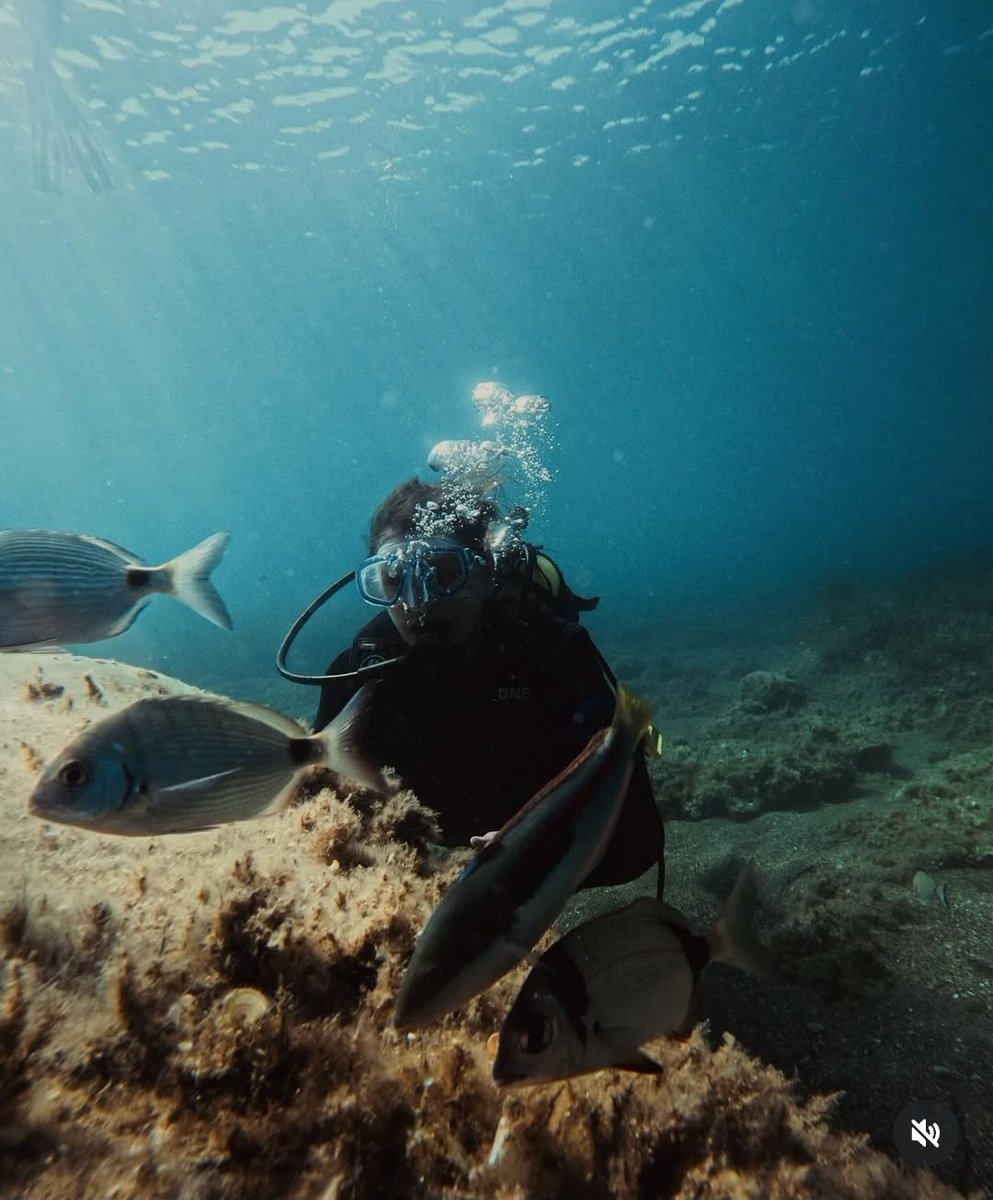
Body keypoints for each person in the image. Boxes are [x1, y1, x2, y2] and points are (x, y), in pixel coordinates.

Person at [313, 477, 665, 893]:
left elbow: (638, 843)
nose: (417, 600)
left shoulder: (551, 655)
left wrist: (536, 854)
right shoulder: (357, 674)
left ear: (483, 577)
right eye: (392, 579)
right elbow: (322, 820)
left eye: (443, 573)